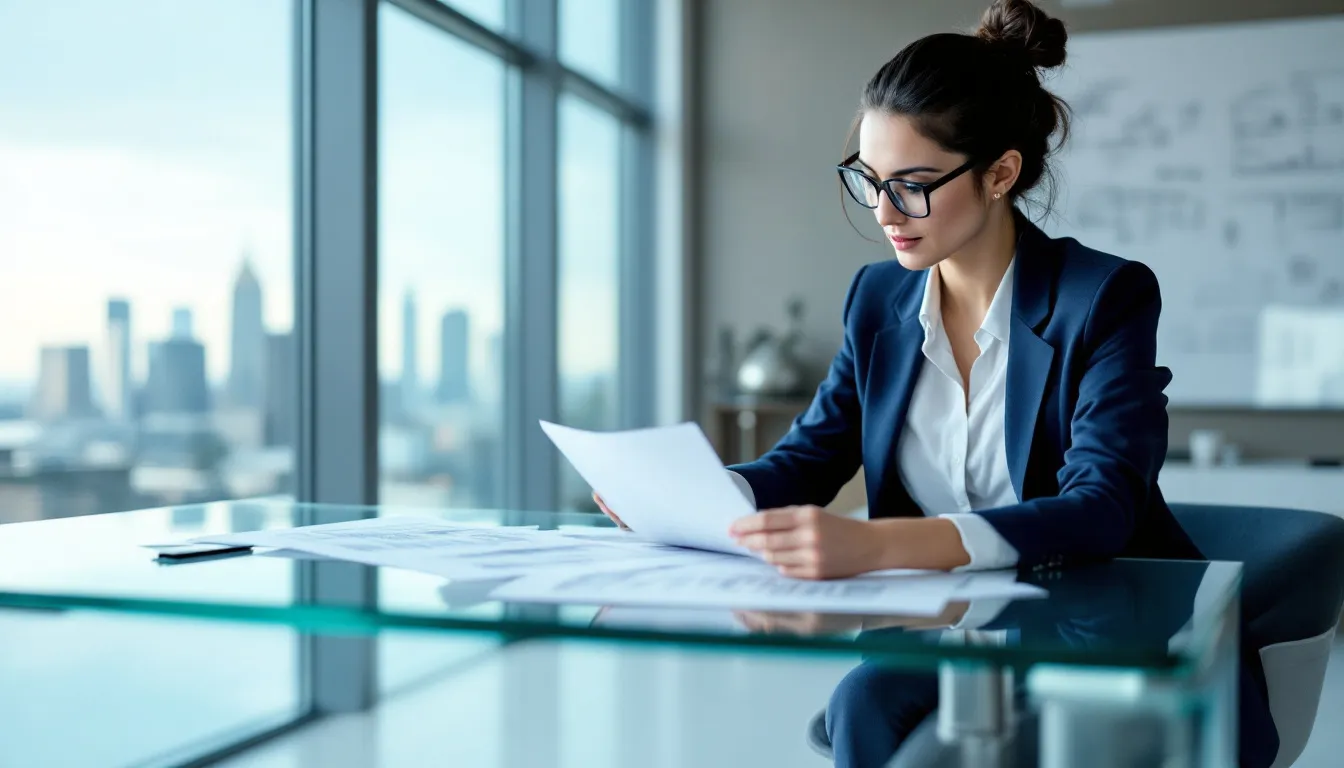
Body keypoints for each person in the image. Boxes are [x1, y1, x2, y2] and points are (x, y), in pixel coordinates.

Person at [595, 0, 1278, 764]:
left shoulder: (1104, 297)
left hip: (1105, 633)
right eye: (869, 179)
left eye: (913, 184)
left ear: (1000, 173)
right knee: (862, 700)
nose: (885, 211)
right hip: (945, 626)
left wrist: (880, 546)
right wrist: (689, 497)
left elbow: (1101, 509)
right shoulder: (876, 299)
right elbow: (807, 461)